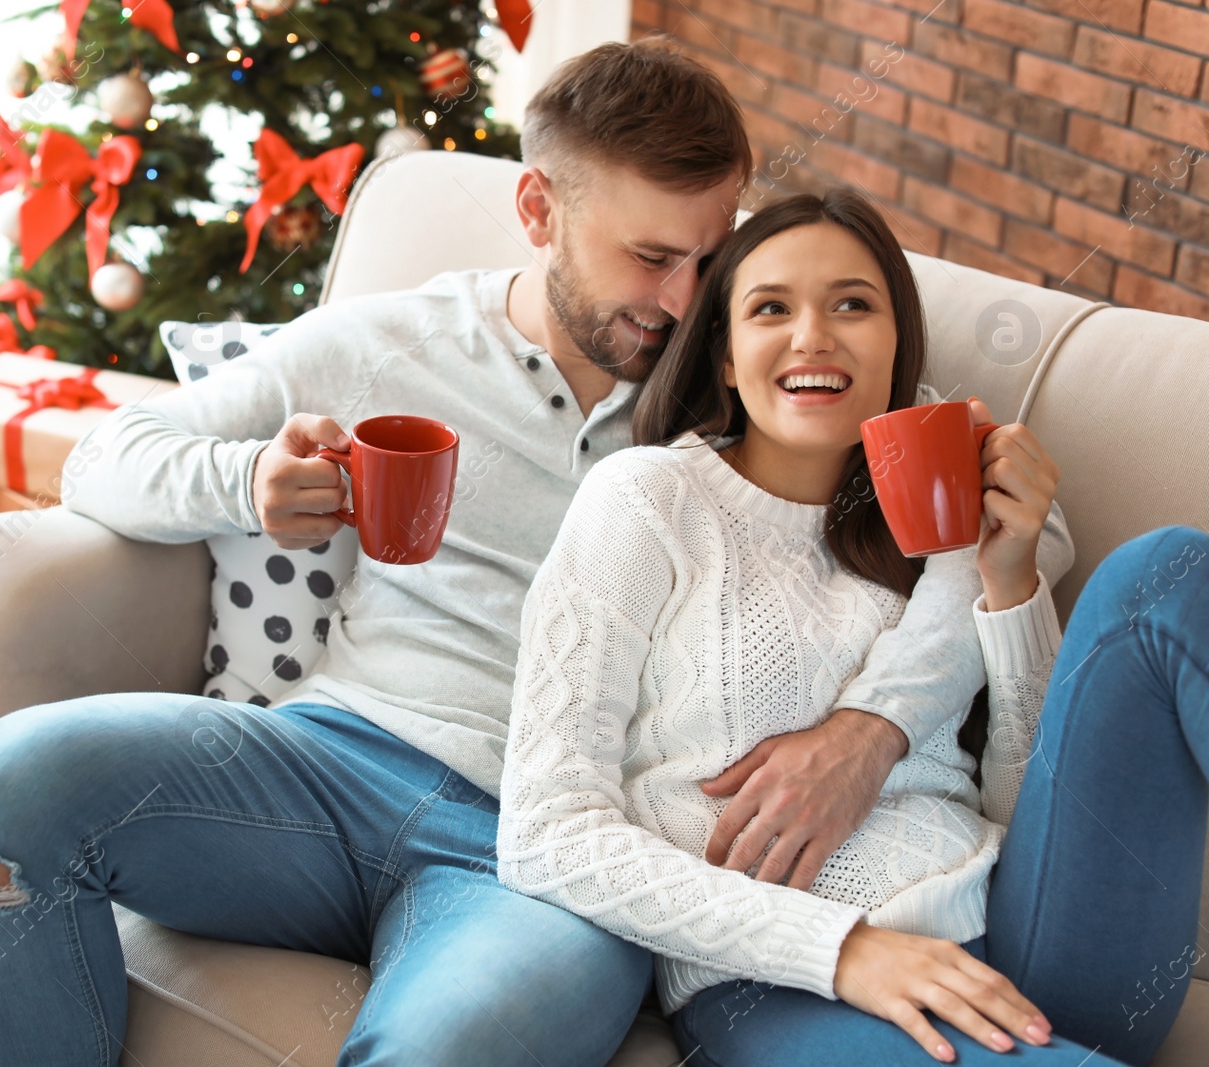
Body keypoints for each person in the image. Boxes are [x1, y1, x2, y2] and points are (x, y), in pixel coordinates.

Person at [0, 41, 1070, 1067]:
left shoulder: (751, 373)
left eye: (709, 259)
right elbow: (104, 457)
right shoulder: (388, 343)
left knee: (460, 1042)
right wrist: (247, 484)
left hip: (543, 854)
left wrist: (869, 728)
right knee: (5, 790)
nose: (685, 302)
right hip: (326, 762)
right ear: (537, 207)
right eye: (650, 257)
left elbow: (1008, 522)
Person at [495, 186, 1208, 1066]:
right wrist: (843, 948)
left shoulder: (938, 513)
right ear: (722, 352)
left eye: (853, 306)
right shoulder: (646, 501)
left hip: (1030, 927)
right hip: (782, 984)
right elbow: (545, 833)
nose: (812, 336)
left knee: (1167, 571)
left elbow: (1019, 810)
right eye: (770, 309)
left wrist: (1010, 582)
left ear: (899, 345)